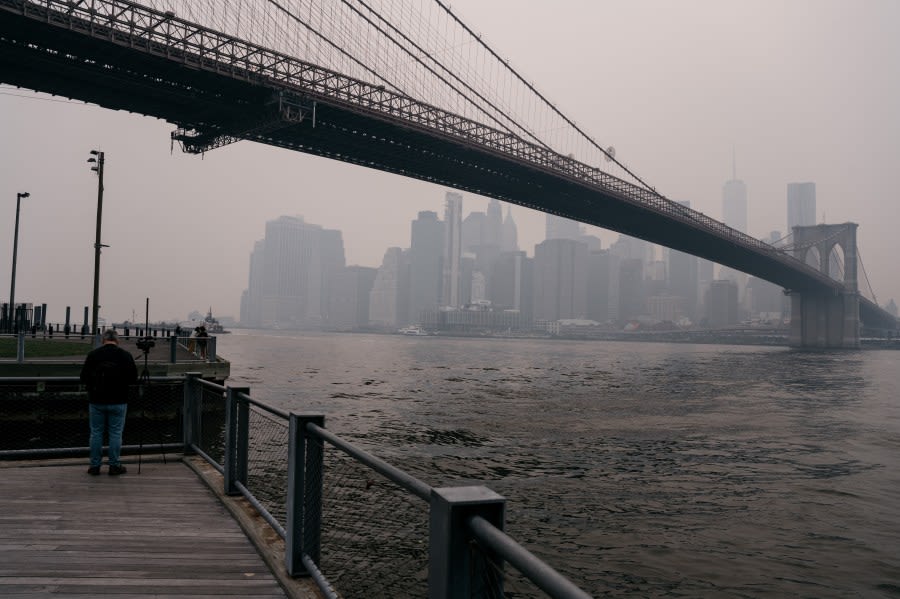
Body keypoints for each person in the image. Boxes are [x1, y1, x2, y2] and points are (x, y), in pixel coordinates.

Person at [80, 329, 138, 475]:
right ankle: (114, 465)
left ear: (103, 340)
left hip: (97, 400)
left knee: (96, 433)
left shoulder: (93, 355)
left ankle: (95, 466)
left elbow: (83, 377)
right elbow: (133, 379)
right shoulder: (125, 355)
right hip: (119, 400)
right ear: (117, 341)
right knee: (116, 433)